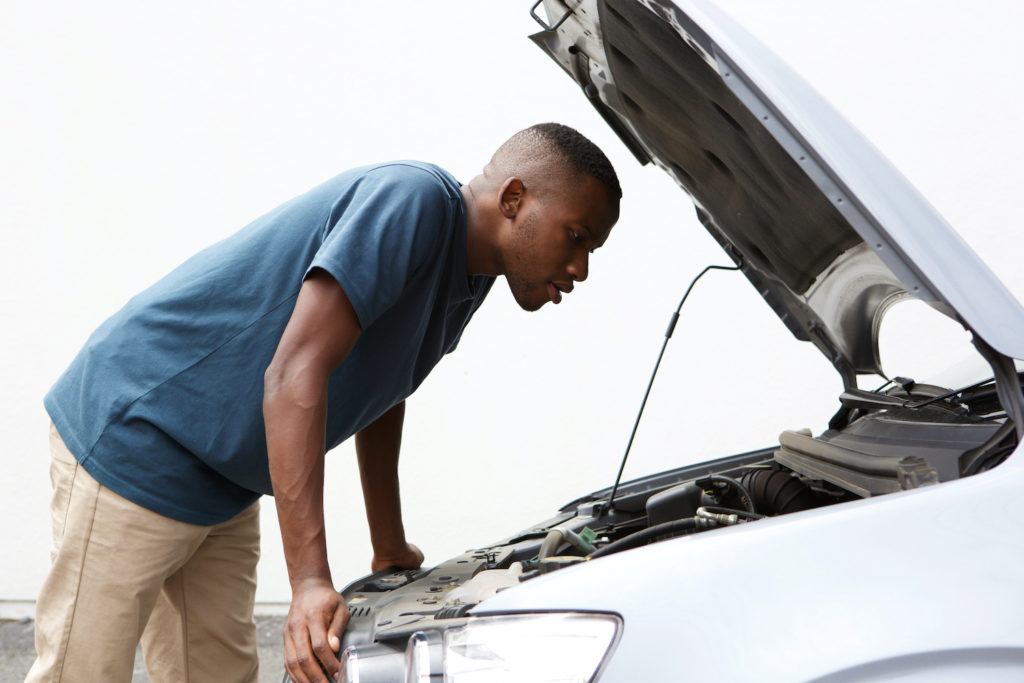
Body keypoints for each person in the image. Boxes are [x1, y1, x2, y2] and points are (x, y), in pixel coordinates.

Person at [27, 122, 621, 683]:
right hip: (139, 436)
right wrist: (310, 582)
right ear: (514, 197)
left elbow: (385, 382)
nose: (583, 268)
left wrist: (387, 540)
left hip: (224, 480)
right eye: (577, 237)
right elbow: (293, 375)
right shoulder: (410, 201)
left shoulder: (471, 274)